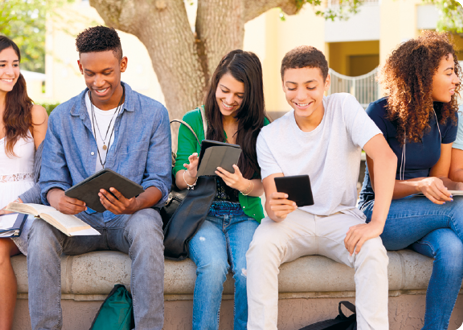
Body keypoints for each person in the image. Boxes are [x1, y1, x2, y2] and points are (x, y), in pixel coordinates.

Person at [27, 26, 171, 329]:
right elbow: (50, 180)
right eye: (90, 73)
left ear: (123, 64)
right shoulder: (62, 117)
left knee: (148, 225)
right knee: (40, 231)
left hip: (128, 219)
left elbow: (159, 180)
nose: (99, 81)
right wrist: (58, 199)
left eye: (107, 72)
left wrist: (135, 204)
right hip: (81, 223)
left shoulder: (153, 113)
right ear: (80, 67)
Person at [246, 45, 397, 330]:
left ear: (326, 83)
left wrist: (376, 222)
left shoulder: (344, 106)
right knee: (260, 247)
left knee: (373, 251)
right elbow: (271, 195)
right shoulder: (269, 136)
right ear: (283, 86)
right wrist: (274, 209)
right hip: (294, 220)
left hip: (341, 217)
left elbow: (386, 157)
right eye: (291, 87)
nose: (300, 96)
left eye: (310, 86)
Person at [358, 31, 463, 330]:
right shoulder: (380, 113)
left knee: (454, 251)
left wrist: (441, 187)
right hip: (381, 212)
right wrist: (421, 186)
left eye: (455, 71)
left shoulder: (446, 115)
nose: (456, 79)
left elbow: (439, 178)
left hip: (426, 213)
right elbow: (381, 187)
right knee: (457, 211)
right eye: (448, 72)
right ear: (422, 75)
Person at [173, 49, 269, 330]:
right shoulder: (194, 121)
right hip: (203, 215)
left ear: (251, 95)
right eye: (224, 90)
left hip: (244, 214)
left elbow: (265, 183)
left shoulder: (261, 126)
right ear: (215, 83)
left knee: (248, 270)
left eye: (239, 96)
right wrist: (190, 173)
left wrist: (243, 185)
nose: (229, 100)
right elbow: (178, 177)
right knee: (213, 268)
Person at [0, 35, 47, 330]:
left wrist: (12, 207)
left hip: (23, 206)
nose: (11, 71)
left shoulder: (34, 114)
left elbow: (48, 174)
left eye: (15, 64)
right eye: (2, 64)